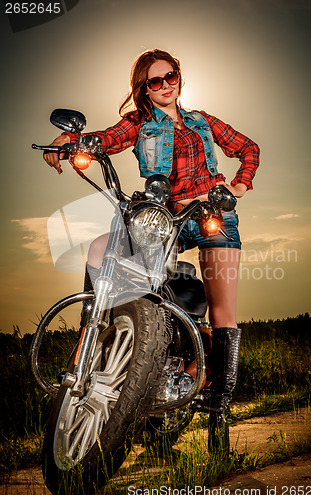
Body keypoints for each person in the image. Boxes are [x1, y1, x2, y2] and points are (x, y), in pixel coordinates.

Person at [43, 48, 260, 456]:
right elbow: (106, 138)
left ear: (179, 77)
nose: (165, 85)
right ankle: (94, 339)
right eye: (154, 81)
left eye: (170, 76)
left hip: (212, 213)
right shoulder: (139, 124)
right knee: (100, 248)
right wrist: (72, 141)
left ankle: (220, 425)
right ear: (144, 88)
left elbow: (249, 149)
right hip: (164, 216)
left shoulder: (203, 122)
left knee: (224, 315)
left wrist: (238, 187)